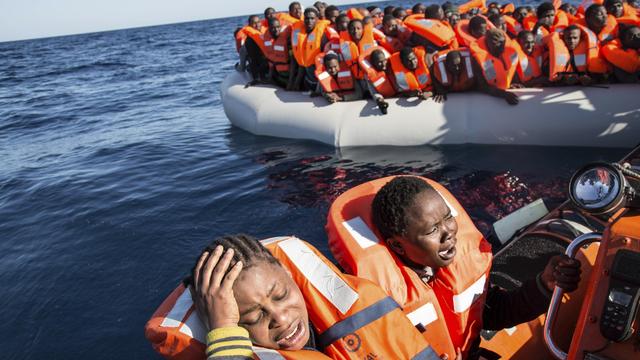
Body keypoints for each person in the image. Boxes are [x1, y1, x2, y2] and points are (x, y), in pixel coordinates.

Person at [367, 176, 582, 359]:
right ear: (397, 245)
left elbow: (493, 313)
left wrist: (544, 285)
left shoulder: (449, 266)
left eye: (448, 218)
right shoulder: (376, 300)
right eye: (432, 229)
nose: (448, 232)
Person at [182, 234, 443, 359]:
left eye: (281, 295)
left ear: (288, 273)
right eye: (253, 318)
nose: (281, 317)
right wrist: (222, 329)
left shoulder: (356, 297)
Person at [469, 28, 521, 105]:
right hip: (486, 101)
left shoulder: (509, 50)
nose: (502, 48)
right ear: (488, 43)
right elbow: (482, 87)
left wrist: (511, 84)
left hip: (504, 90)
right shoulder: (477, 58)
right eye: (497, 44)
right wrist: (503, 94)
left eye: (503, 43)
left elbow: (511, 72)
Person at [290, 8, 332, 91]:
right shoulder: (299, 34)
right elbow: (301, 61)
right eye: (307, 18)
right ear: (304, 19)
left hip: (321, 75)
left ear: (317, 19)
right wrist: (295, 83)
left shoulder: (322, 35)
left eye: (312, 18)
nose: (309, 21)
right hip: (308, 77)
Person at [358, 47, 395, 113]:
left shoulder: (393, 67)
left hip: (401, 96)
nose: (384, 64)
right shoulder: (370, 76)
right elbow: (374, 93)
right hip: (386, 99)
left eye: (384, 60)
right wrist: (379, 100)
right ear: (373, 63)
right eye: (379, 62)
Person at [262, 18, 294, 88]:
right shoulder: (269, 41)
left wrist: (290, 82)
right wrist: (270, 77)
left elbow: (293, 62)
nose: (276, 30)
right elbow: (272, 60)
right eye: (273, 28)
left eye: (278, 27)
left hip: (290, 75)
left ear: (280, 27)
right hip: (279, 74)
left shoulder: (287, 41)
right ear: (269, 28)